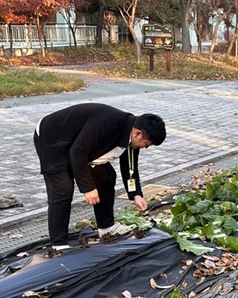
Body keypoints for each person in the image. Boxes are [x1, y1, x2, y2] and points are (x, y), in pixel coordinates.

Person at [33, 103, 166, 249]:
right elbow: (77, 153)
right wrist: (88, 188)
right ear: (138, 133)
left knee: (106, 178)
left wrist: (136, 194)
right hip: (53, 137)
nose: (145, 147)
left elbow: (130, 166)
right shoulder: (108, 125)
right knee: (63, 189)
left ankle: (106, 228)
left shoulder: (131, 134)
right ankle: (59, 244)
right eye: (146, 144)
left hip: (81, 145)